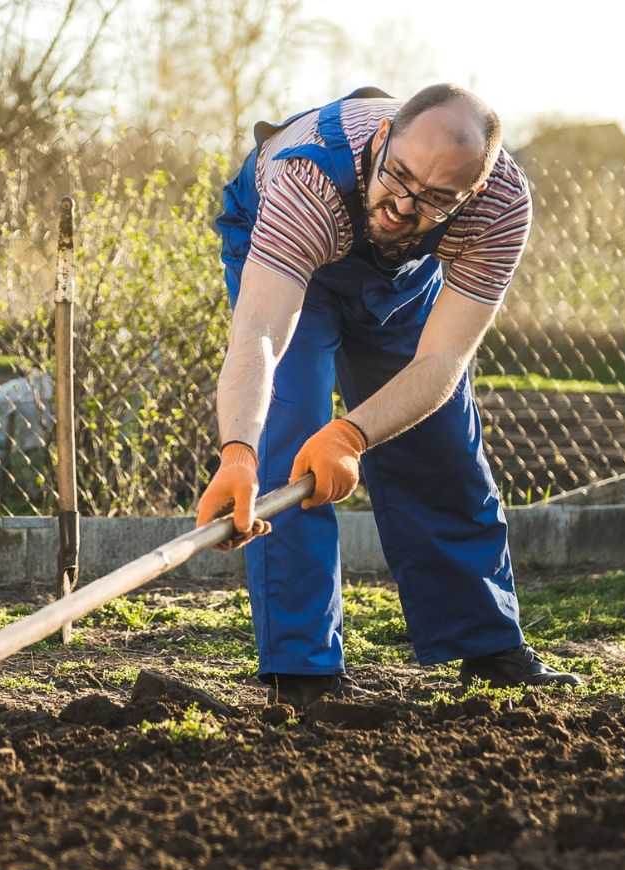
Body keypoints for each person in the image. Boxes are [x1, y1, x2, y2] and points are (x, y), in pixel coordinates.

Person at [194, 84, 580, 708]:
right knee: (290, 436)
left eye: (433, 199)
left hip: (399, 276)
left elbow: (442, 361)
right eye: (396, 176)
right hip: (293, 257)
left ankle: (487, 645)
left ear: (471, 195)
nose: (402, 205)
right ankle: (303, 670)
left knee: (442, 441)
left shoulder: (500, 208)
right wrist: (237, 453)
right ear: (383, 140)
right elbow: (261, 336)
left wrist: (351, 435)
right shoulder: (307, 180)